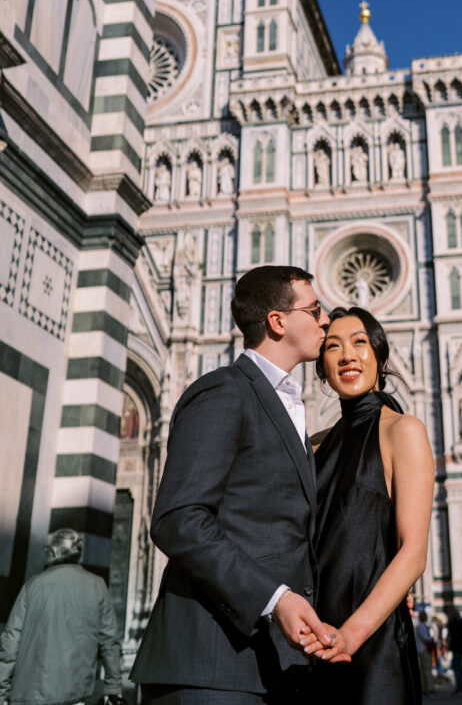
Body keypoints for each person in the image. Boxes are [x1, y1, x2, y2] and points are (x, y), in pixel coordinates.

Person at [130, 265, 339, 705]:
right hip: (211, 665)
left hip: (271, 666)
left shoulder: (288, 403)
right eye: (316, 310)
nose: (325, 321)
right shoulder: (224, 391)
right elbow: (178, 518)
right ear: (277, 321)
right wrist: (273, 597)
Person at [302, 306, 434, 704]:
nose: (347, 355)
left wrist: (351, 634)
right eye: (333, 347)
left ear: (380, 357)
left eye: (360, 342)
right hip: (310, 639)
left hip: (371, 645)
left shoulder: (402, 431)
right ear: (322, 367)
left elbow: (413, 553)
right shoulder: (313, 446)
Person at [0, 528, 124, 705]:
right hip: (75, 693)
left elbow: (11, 640)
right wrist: (113, 687)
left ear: (53, 552)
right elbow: (110, 641)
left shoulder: (32, 585)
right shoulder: (97, 585)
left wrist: (1, 690)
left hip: (29, 692)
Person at [415, 610, 436, 699]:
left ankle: (424, 689)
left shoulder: (419, 626)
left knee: (423, 671)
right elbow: (426, 638)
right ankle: (430, 689)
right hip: (425, 650)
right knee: (427, 670)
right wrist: (432, 637)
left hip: (420, 650)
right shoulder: (422, 626)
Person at [447, 606, 462, 694]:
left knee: (457, 668)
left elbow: (452, 635)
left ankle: (459, 687)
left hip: (456, 647)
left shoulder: (453, 622)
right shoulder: (460, 621)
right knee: (460, 668)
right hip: (460, 647)